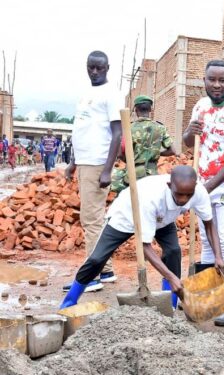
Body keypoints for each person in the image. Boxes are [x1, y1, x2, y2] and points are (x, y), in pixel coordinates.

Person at [60, 166, 224, 309]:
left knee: (174, 251)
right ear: (169, 186)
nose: (183, 200)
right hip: (127, 215)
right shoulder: (151, 197)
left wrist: (218, 256)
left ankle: (170, 307)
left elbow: (209, 224)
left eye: (188, 195)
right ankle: (69, 302)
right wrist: (171, 277)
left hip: (163, 218)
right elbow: (145, 246)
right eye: (179, 195)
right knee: (97, 259)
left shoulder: (199, 192)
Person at [183, 60, 224, 327]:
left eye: (223, 80)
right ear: (204, 79)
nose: (217, 85)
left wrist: (207, 187)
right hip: (204, 185)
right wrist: (190, 131)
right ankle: (212, 303)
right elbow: (189, 143)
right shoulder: (200, 106)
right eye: (212, 79)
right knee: (208, 245)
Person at [64, 51, 123, 292]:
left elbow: (117, 133)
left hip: (98, 163)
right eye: (91, 68)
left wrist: (107, 169)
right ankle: (106, 270)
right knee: (95, 218)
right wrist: (72, 162)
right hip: (85, 161)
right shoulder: (87, 94)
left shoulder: (111, 94)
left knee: (91, 220)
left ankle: (92, 277)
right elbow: (82, 129)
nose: (95, 72)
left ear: (108, 67)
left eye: (99, 68)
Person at [111, 95, 175, 193]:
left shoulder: (129, 128)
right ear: (150, 109)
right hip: (151, 175)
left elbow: (120, 154)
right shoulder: (160, 127)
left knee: (130, 201)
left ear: (136, 110)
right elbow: (173, 151)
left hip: (132, 175)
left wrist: (131, 159)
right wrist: (155, 152)